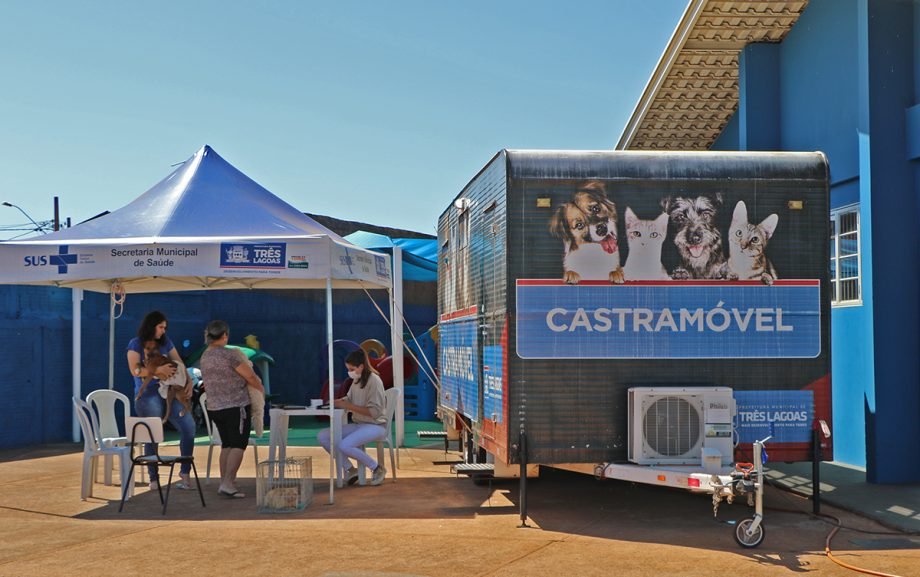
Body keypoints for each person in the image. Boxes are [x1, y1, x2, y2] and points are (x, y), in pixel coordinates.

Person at [126, 310, 195, 491]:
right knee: (153, 434)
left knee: (189, 427)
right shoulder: (135, 344)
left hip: (171, 390)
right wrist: (157, 371)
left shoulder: (167, 343)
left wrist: (188, 382)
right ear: (151, 326)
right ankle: (153, 478)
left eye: (165, 327)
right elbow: (135, 370)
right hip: (148, 394)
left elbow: (179, 363)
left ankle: (185, 471)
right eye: (160, 327)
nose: (163, 331)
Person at [199, 320, 264, 498]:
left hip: (214, 407)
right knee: (238, 444)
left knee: (226, 444)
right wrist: (260, 389)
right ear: (225, 335)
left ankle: (225, 481)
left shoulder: (205, 355)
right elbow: (249, 375)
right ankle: (228, 482)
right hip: (235, 406)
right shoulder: (230, 355)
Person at [318, 348, 387, 486]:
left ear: (361, 366)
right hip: (359, 424)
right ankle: (350, 469)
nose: (349, 372)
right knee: (323, 436)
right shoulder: (357, 380)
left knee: (345, 445)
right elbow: (349, 399)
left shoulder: (374, 381)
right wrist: (335, 402)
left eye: (351, 368)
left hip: (376, 425)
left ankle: (376, 468)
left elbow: (373, 412)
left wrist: (346, 405)